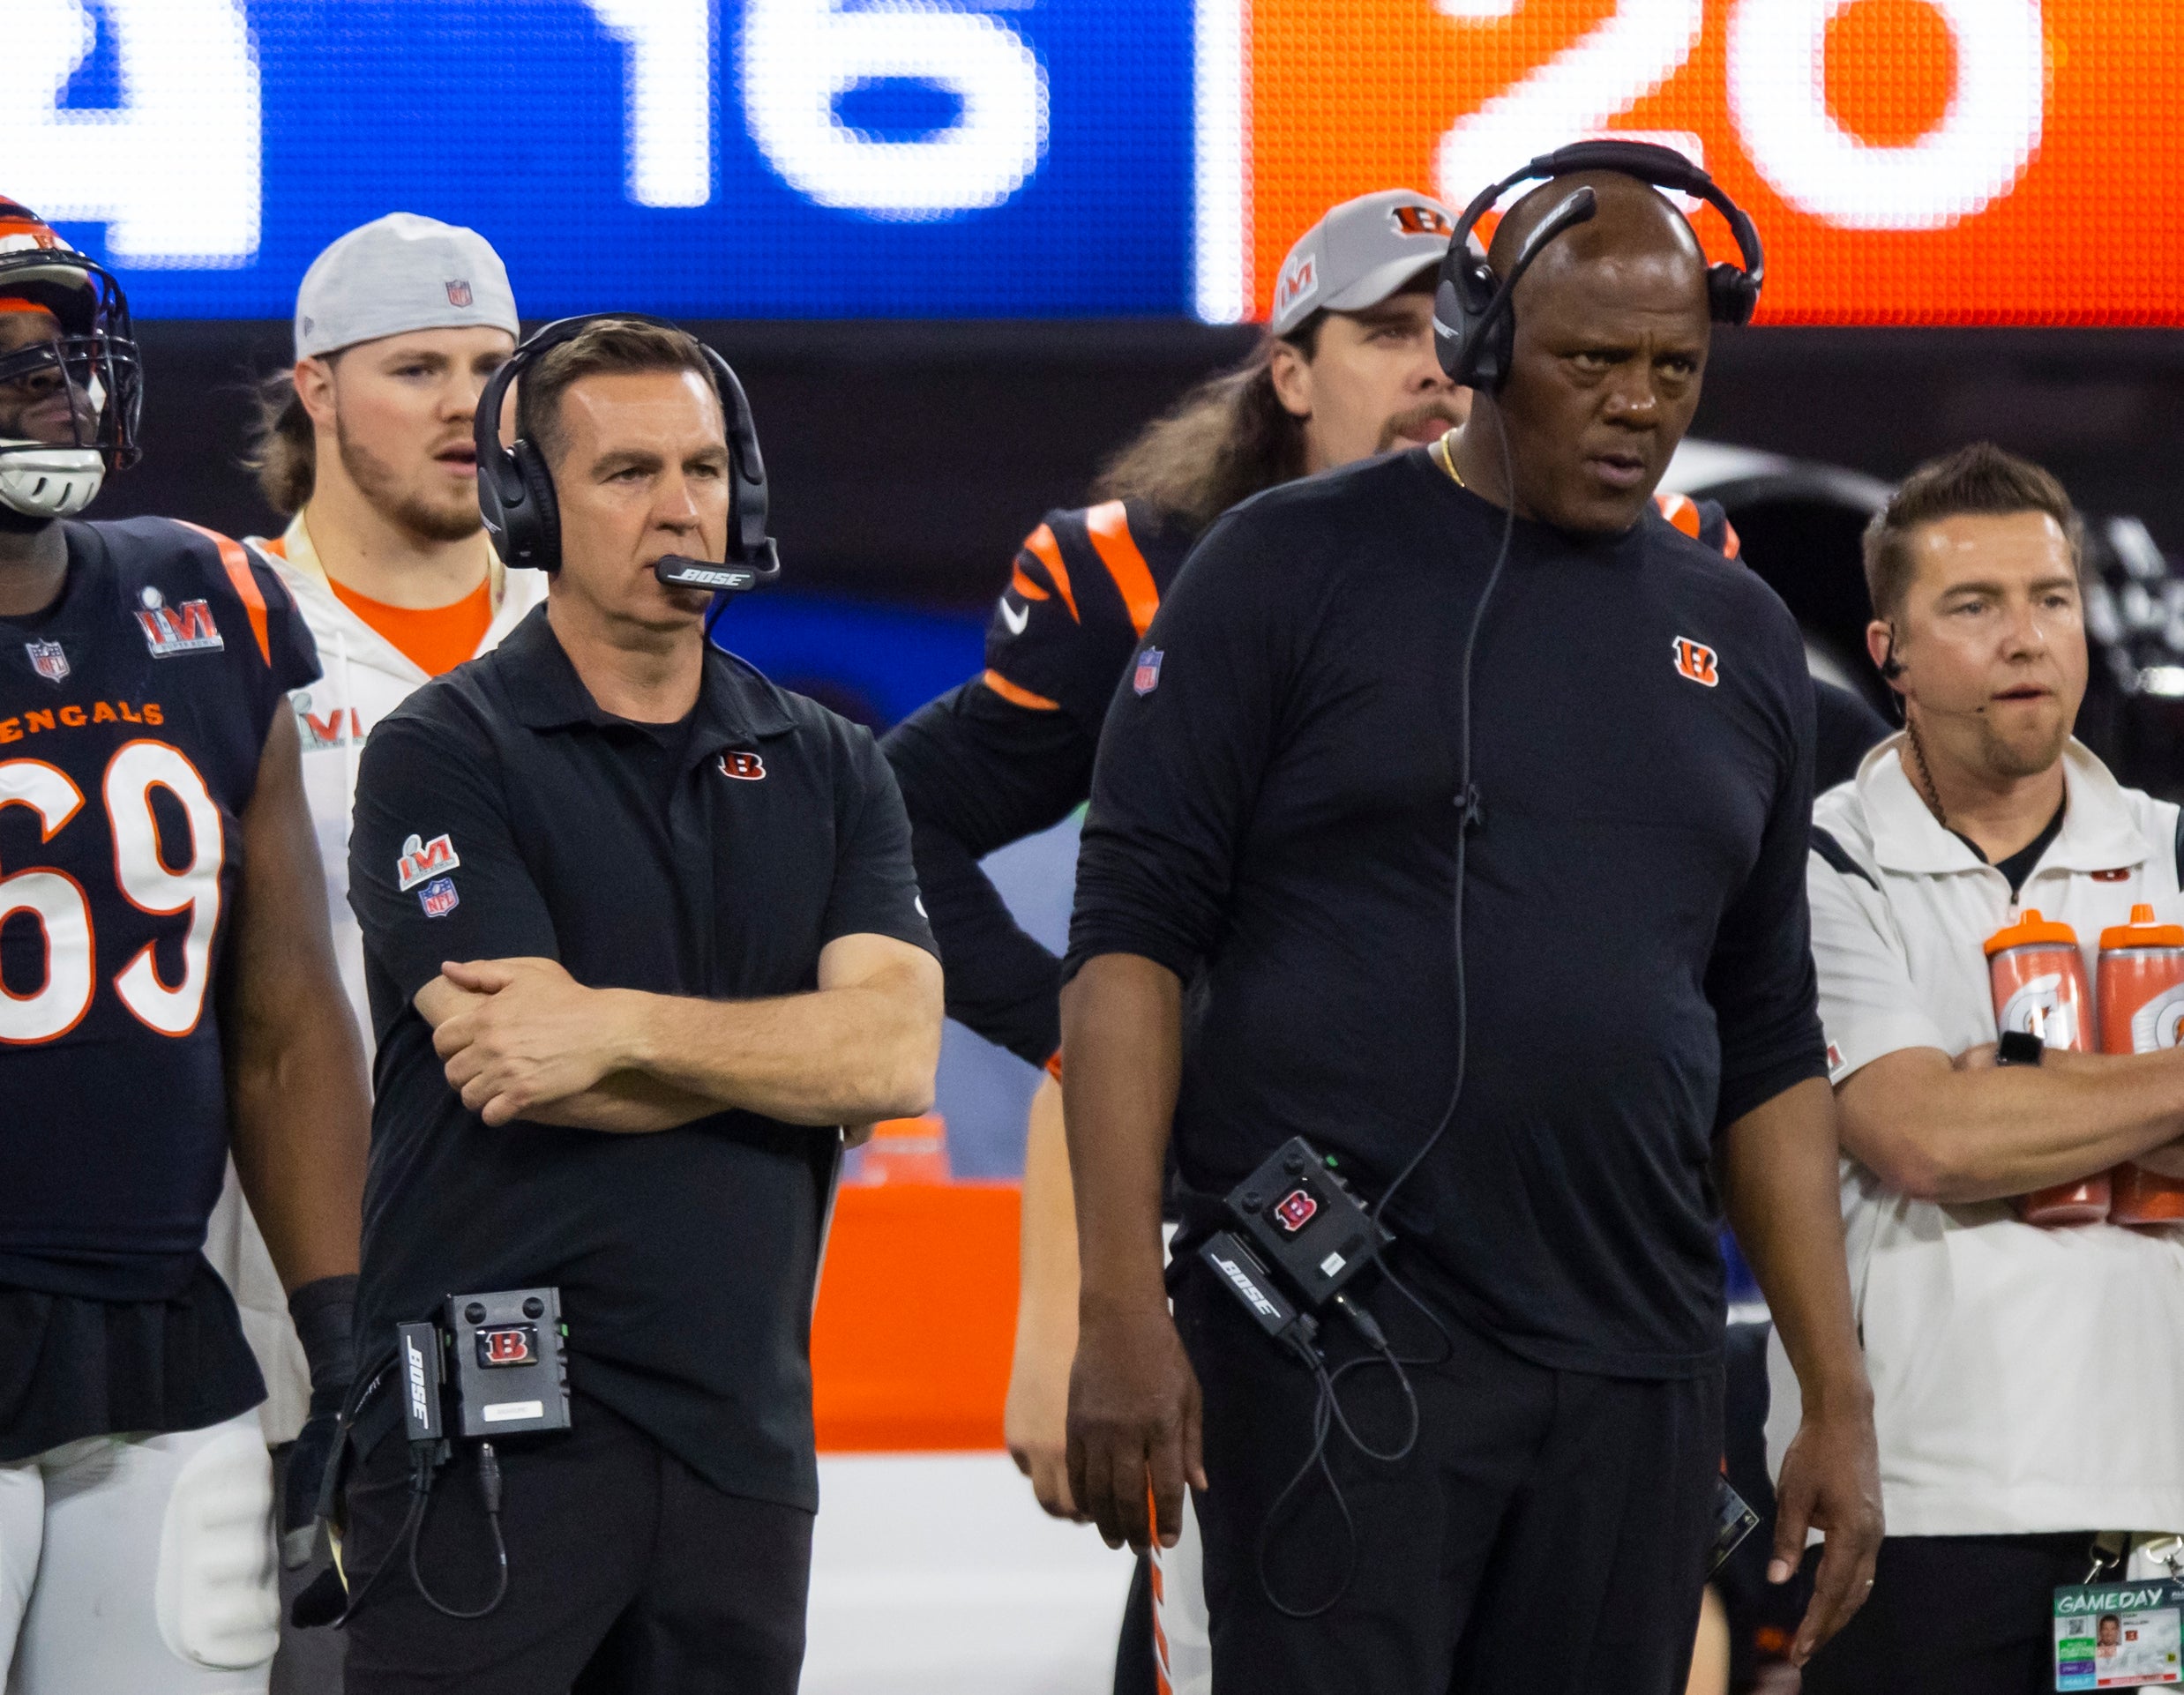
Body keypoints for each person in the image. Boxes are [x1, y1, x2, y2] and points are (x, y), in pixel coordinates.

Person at [1059, 158, 1883, 1693]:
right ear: (1484, 341)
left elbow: (1768, 1033)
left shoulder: (1741, 632)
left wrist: (1829, 1395)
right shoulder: (1282, 568)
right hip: (1332, 1346)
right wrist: (1118, 1307)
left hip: (1635, 1366)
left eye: (1674, 368)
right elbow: (1127, 945)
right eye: (1593, 362)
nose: (1639, 405)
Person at [337, 315, 944, 1692]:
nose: (683, 504)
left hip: (740, 1444)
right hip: (488, 1442)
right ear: (530, 508)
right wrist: (784, 1052)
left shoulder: (832, 762)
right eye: (625, 473)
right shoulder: (441, 753)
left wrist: (618, 1022)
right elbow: (520, 1062)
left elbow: (895, 1054)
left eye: (707, 466)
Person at [0, 198, 371, 1694]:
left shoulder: (202, 596)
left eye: (52, 355)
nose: (42, 392)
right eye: (1, 361)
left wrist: (341, 1330)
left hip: (163, 1336)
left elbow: (283, 1011)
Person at [1777, 442, 2184, 1695]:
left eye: (2050, 599)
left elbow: (1962, 1123)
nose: (2027, 638)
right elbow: (1919, 1136)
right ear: (1888, 648)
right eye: (1975, 606)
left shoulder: (2173, 851)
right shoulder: (1816, 861)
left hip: (2153, 1506)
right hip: (1914, 1504)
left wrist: (2019, 1094)